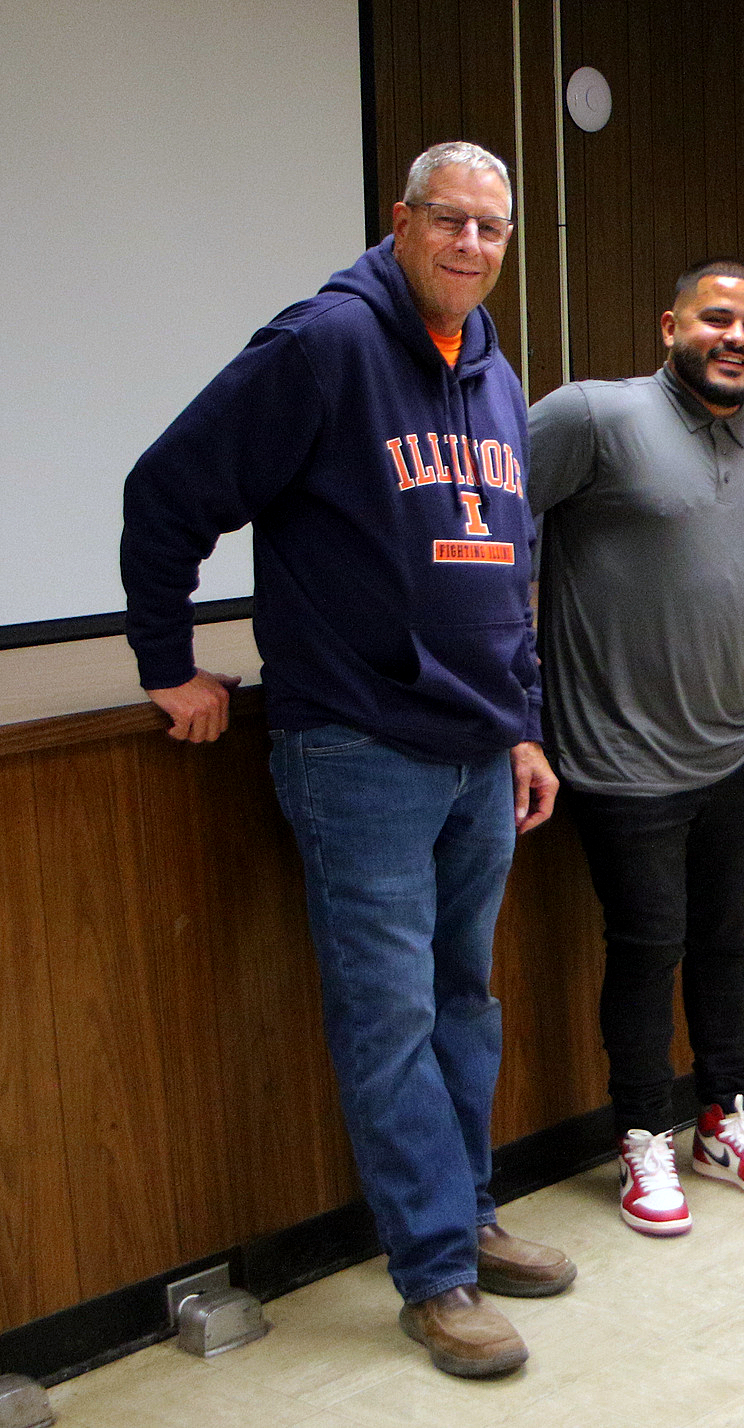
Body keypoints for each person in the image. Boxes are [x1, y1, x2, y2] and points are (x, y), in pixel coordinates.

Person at [120, 142, 572, 1378]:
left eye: (492, 227)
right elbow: (167, 490)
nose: (471, 244)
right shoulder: (324, 345)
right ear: (401, 220)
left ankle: (468, 1216)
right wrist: (166, 661)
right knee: (391, 1016)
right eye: (450, 220)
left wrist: (523, 723)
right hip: (357, 745)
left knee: (465, 1001)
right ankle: (435, 1274)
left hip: (478, 749)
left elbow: (508, 569)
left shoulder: (493, 371)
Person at [529, 259, 744, 1235]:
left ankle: (725, 1116)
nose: (735, 337)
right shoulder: (591, 417)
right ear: (670, 326)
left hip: (738, 751)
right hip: (617, 755)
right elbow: (489, 533)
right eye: (715, 318)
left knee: (727, 942)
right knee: (647, 947)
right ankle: (642, 1133)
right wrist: (515, 701)